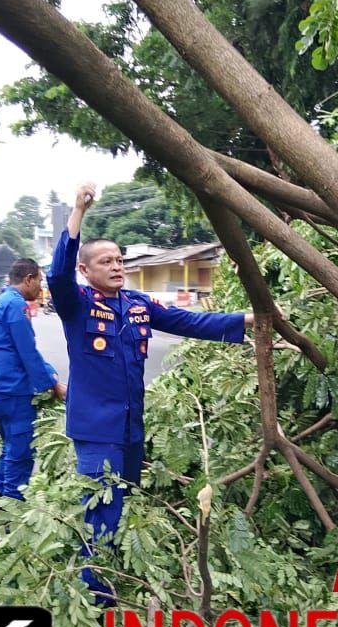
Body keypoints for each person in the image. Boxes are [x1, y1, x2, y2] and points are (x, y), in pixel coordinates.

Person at [48, 182, 254, 604]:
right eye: (106, 261)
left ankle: (112, 581)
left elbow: (188, 322)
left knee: (121, 506)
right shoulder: (77, 304)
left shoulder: (139, 303)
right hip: (96, 428)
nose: (117, 266)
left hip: (130, 428)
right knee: (100, 510)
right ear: (87, 271)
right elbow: (57, 274)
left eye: (120, 259)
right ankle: (97, 602)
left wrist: (248, 319)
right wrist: (77, 213)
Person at [0, 259, 67, 501]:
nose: (41, 287)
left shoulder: (2, 302)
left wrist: (49, 372)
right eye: (39, 281)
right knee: (21, 454)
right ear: (28, 279)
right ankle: (10, 515)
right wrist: (53, 384)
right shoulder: (16, 306)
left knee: (10, 448)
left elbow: (13, 348)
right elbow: (26, 351)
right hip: (11, 390)